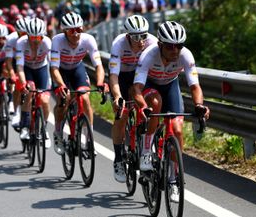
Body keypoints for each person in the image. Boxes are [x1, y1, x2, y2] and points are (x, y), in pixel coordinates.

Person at [132, 21, 210, 201]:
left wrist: (199, 106)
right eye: (169, 46)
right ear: (160, 44)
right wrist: (143, 107)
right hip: (149, 86)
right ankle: (145, 151)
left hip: (170, 85)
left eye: (179, 46)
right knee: (155, 102)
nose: (175, 50)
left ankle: (174, 179)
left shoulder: (186, 56)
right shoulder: (148, 56)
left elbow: (195, 86)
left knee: (177, 129)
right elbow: (136, 88)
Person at [50, 12, 108, 155]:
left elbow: (99, 66)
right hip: (61, 72)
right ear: (64, 31)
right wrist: (61, 85)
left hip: (77, 68)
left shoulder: (88, 40)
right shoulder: (57, 41)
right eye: (71, 30)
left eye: (79, 29)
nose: (76, 34)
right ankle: (58, 133)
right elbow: (54, 68)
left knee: (85, 97)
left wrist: (100, 82)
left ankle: (89, 138)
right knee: (64, 100)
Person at [108, 15, 158, 183]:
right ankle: (119, 159)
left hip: (142, 77)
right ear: (128, 36)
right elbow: (113, 76)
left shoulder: (152, 42)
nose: (141, 41)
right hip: (123, 76)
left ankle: (147, 146)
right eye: (136, 37)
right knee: (122, 115)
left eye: (143, 36)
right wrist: (118, 97)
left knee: (152, 107)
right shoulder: (119, 44)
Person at [14, 18, 52, 147]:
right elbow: (19, 67)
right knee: (30, 90)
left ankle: (43, 130)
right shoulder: (21, 42)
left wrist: (53, 82)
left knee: (45, 101)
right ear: (27, 35)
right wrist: (23, 83)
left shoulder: (47, 42)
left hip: (41, 69)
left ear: (43, 36)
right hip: (27, 69)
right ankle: (25, 126)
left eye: (38, 38)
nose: (36, 41)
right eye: (32, 38)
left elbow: (53, 65)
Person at [6, 17, 30, 128]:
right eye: (21, 33)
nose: (24, 35)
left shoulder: (34, 37)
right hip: (16, 61)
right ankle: (16, 112)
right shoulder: (11, 40)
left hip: (31, 62)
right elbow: (9, 61)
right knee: (17, 84)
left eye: (26, 33)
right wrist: (12, 74)